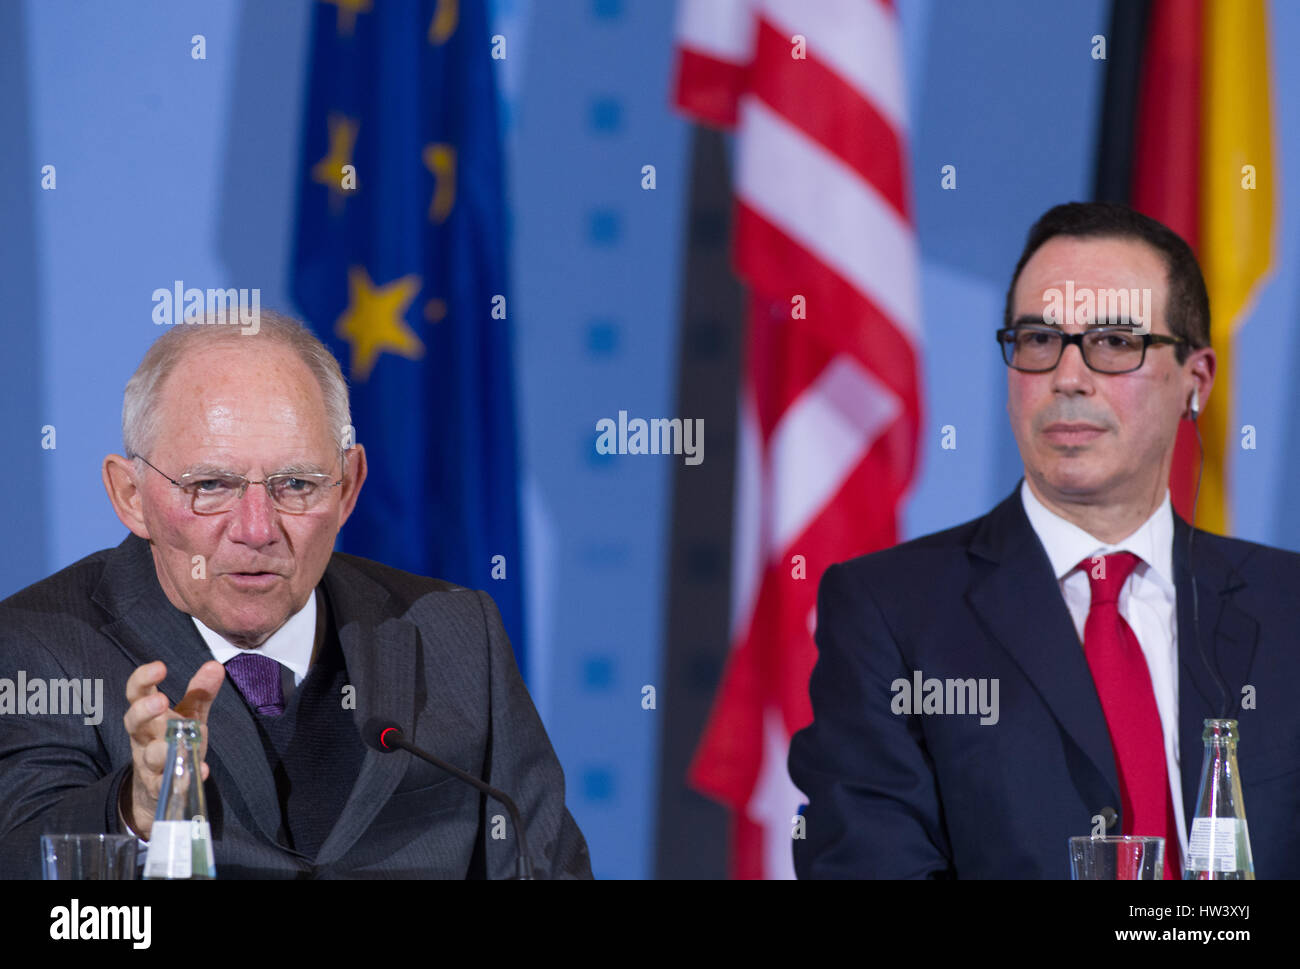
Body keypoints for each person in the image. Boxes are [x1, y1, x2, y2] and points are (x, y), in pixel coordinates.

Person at [789, 201, 1300, 879]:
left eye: (1116, 342)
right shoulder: (889, 612)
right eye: (1037, 340)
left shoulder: (1287, 607)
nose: (1067, 377)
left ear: (1194, 382)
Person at [0, 311, 591, 879]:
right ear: (131, 495)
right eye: (211, 485)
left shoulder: (454, 634)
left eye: (297, 485)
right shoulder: (42, 643)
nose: (257, 529)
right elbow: (21, 856)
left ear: (349, 486)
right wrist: (138, 810)